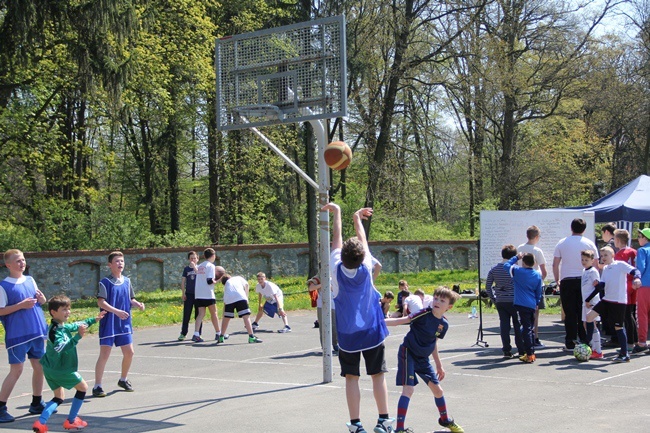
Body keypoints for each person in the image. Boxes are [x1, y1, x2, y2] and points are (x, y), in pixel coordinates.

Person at [322, 202, 394, 433]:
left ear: (341, 256)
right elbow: (362, 240)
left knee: (351, 378)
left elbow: (336, 240)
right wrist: (357, 219)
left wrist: (338, 213)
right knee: (377, 375)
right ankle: (384, 421)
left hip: (348, 334)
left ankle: (356, 425)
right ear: (363, 256)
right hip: (372, 331)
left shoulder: (335, 268)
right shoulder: (367, 265)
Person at [385, 286, 464, 433]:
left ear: (449, 307)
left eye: (442, 300)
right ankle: (400, 429)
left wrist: (439, 366)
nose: (437, 302)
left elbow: (433, 343)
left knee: (438, 391)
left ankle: (446, 421)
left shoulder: (443, 325)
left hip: (423, 358)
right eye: (435, 298)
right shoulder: (423, 314)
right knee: (408, 390)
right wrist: (379, 321)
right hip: (408, 352)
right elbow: (401, 321)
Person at [33, 295, 106, 433]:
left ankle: (41, 422)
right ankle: (71, 420)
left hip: (50, 369)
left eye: (69, 309)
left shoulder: (61, 326)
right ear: (53, 312)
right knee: (83, 387)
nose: (68, 312)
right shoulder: (55, 331)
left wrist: (94, 319)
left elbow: (76, 324)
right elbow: (60, 348)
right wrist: (77, 337)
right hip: (61, 369)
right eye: (64, 309)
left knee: (58, 397)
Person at [0, 249, 48, 423]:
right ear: (8, 265)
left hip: (36, 332)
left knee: (39, 367)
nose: (22, 263)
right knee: (17, 370)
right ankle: (1, 407)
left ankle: (37, 402)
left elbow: (39, 302)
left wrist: (42, 299)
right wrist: (20, 305)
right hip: (18, 335)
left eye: (23, 260)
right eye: (18, 261)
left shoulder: (30, 280)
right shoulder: (3, 286)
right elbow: (1, 310)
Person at [92, 251, 145, 397]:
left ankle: (123, 379)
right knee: (105, 354)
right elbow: (100, 302)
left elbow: (130, 299)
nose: (120, 263)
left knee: (129, 352)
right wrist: (116, 311)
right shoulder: (105, 282)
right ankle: (97, 386)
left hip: (124, 323)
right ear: (110, 265)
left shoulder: (127, 281)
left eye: (122, 261)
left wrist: (138, 304)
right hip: (109, 323)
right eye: (117, 261)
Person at [584, 246, 641, 362]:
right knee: (589, 317)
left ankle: (624, 354)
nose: (603, 258)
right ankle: (587, 344)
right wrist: (588, 298)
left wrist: (637, 278)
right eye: (602, 256)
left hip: (618, 301)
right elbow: (602, 286)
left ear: (612, 255)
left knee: (618, 327)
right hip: (606, 300)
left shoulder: (620, 265)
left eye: (606, 255)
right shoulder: (605, 269)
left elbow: (635, 271)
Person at [553, 218, 599, 351]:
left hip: (567, 280)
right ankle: (585, 340)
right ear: (584, 229)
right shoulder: (589, 243)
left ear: (571, 228)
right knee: (583, 311)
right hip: (584, 281)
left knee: (570, 312)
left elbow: (555, 263)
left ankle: (570, 341)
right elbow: (595, 265)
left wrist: (557, 280)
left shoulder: (562, 243)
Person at [486, 244, 524, 358]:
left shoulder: (494, 269)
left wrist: (494, 299)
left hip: (501, 300)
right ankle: (521, 349)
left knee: (504, 325)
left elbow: (488, 287)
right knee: (517, 325)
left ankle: (506, 350)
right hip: (514, 300)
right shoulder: (515, 269)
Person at [505, 252, 543, 363]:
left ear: (523, 262)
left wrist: (516, 257)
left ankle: (529, 353)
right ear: (534, 262)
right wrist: (536, 302)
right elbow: (538, 291)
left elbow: (506, 265)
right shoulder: (537, 275)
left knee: (525, 329)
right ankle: (530, 351)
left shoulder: (518, 271)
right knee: (529, 328)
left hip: (521, 304)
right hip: (531, 304)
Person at [517, 225, 547, 349]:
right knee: (535, 314)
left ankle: (524, 338)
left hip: (521, 285)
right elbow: (544, 272)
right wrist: (538, 282)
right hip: (534, 286)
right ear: (536, 237)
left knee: (522, 315)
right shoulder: (537, 251)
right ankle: (534, 338)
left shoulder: (519, 248)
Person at [613, 230, 641, 354]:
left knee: (627, 315)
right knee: (632, 314)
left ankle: (630, 341)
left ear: (618, 240)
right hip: (635, 283)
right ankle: (635, 340)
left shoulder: (619, 254)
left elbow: (618, 270)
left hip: (626, 285)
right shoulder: (634, 251)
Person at [218, 273, 262, 344]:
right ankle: (251, 337)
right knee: (246, 317)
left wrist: (224, 314)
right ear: (230, 277)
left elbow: (225, 302)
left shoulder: (226, 285)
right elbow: (246, 285)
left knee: (226, 318)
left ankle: (221, 337)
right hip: (240, 297)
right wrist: (246, 297)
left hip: (229, 299)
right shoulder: (238, 278)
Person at [191, 248, 223, 343]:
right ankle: (218, 333)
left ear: (204, 256)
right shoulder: (211, 266)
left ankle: (196, 334)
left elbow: (198, 273)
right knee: (214, 313)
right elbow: (209, 281)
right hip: (208, 294)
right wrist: (218, 280)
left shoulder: (200, 266)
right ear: (213, 256)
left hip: (198, 294)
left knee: (201, 314)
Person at [580, 250, 603, 359]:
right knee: (586, 324)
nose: (584, 262)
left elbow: (598, 288)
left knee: (593, 325)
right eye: (582, 259)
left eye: (587, 260)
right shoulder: (584, 270)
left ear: (592, 260)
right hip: (585, 303)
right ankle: (592, 346)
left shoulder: (593, 271)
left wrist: (589, 299)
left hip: (592, 302)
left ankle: (597, 350)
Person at [308, 276, 339, 354]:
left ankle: (336, 344)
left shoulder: (337, 274)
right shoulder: (318, 277)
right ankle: (325, 346)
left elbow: (336, 289)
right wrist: (323, 284)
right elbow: (311, 288)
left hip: (334, 304)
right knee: (323, 325)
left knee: (335, 325)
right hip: (322, 305)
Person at [633, 228, 650, 354]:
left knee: (642, 315)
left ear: (645, 238)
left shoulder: (642, 250)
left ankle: (642, 342)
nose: (638, 238)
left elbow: (641, 267)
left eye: (639, 236)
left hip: (644, 286)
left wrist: (636, 279)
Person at [178, 251, 201, 341]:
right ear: (188, 259)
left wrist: (194, 267)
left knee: (198, 315)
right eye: (191, 258)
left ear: (197, 259)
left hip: (198, 294)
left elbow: (199, 275)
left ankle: (198, 333)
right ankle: (183, 333)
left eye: (194, 258)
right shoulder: (186, 269)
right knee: (186, 314)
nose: (193, 260)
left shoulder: (200, 268)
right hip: (189, 294)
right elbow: (183, 281)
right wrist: (183, 293)